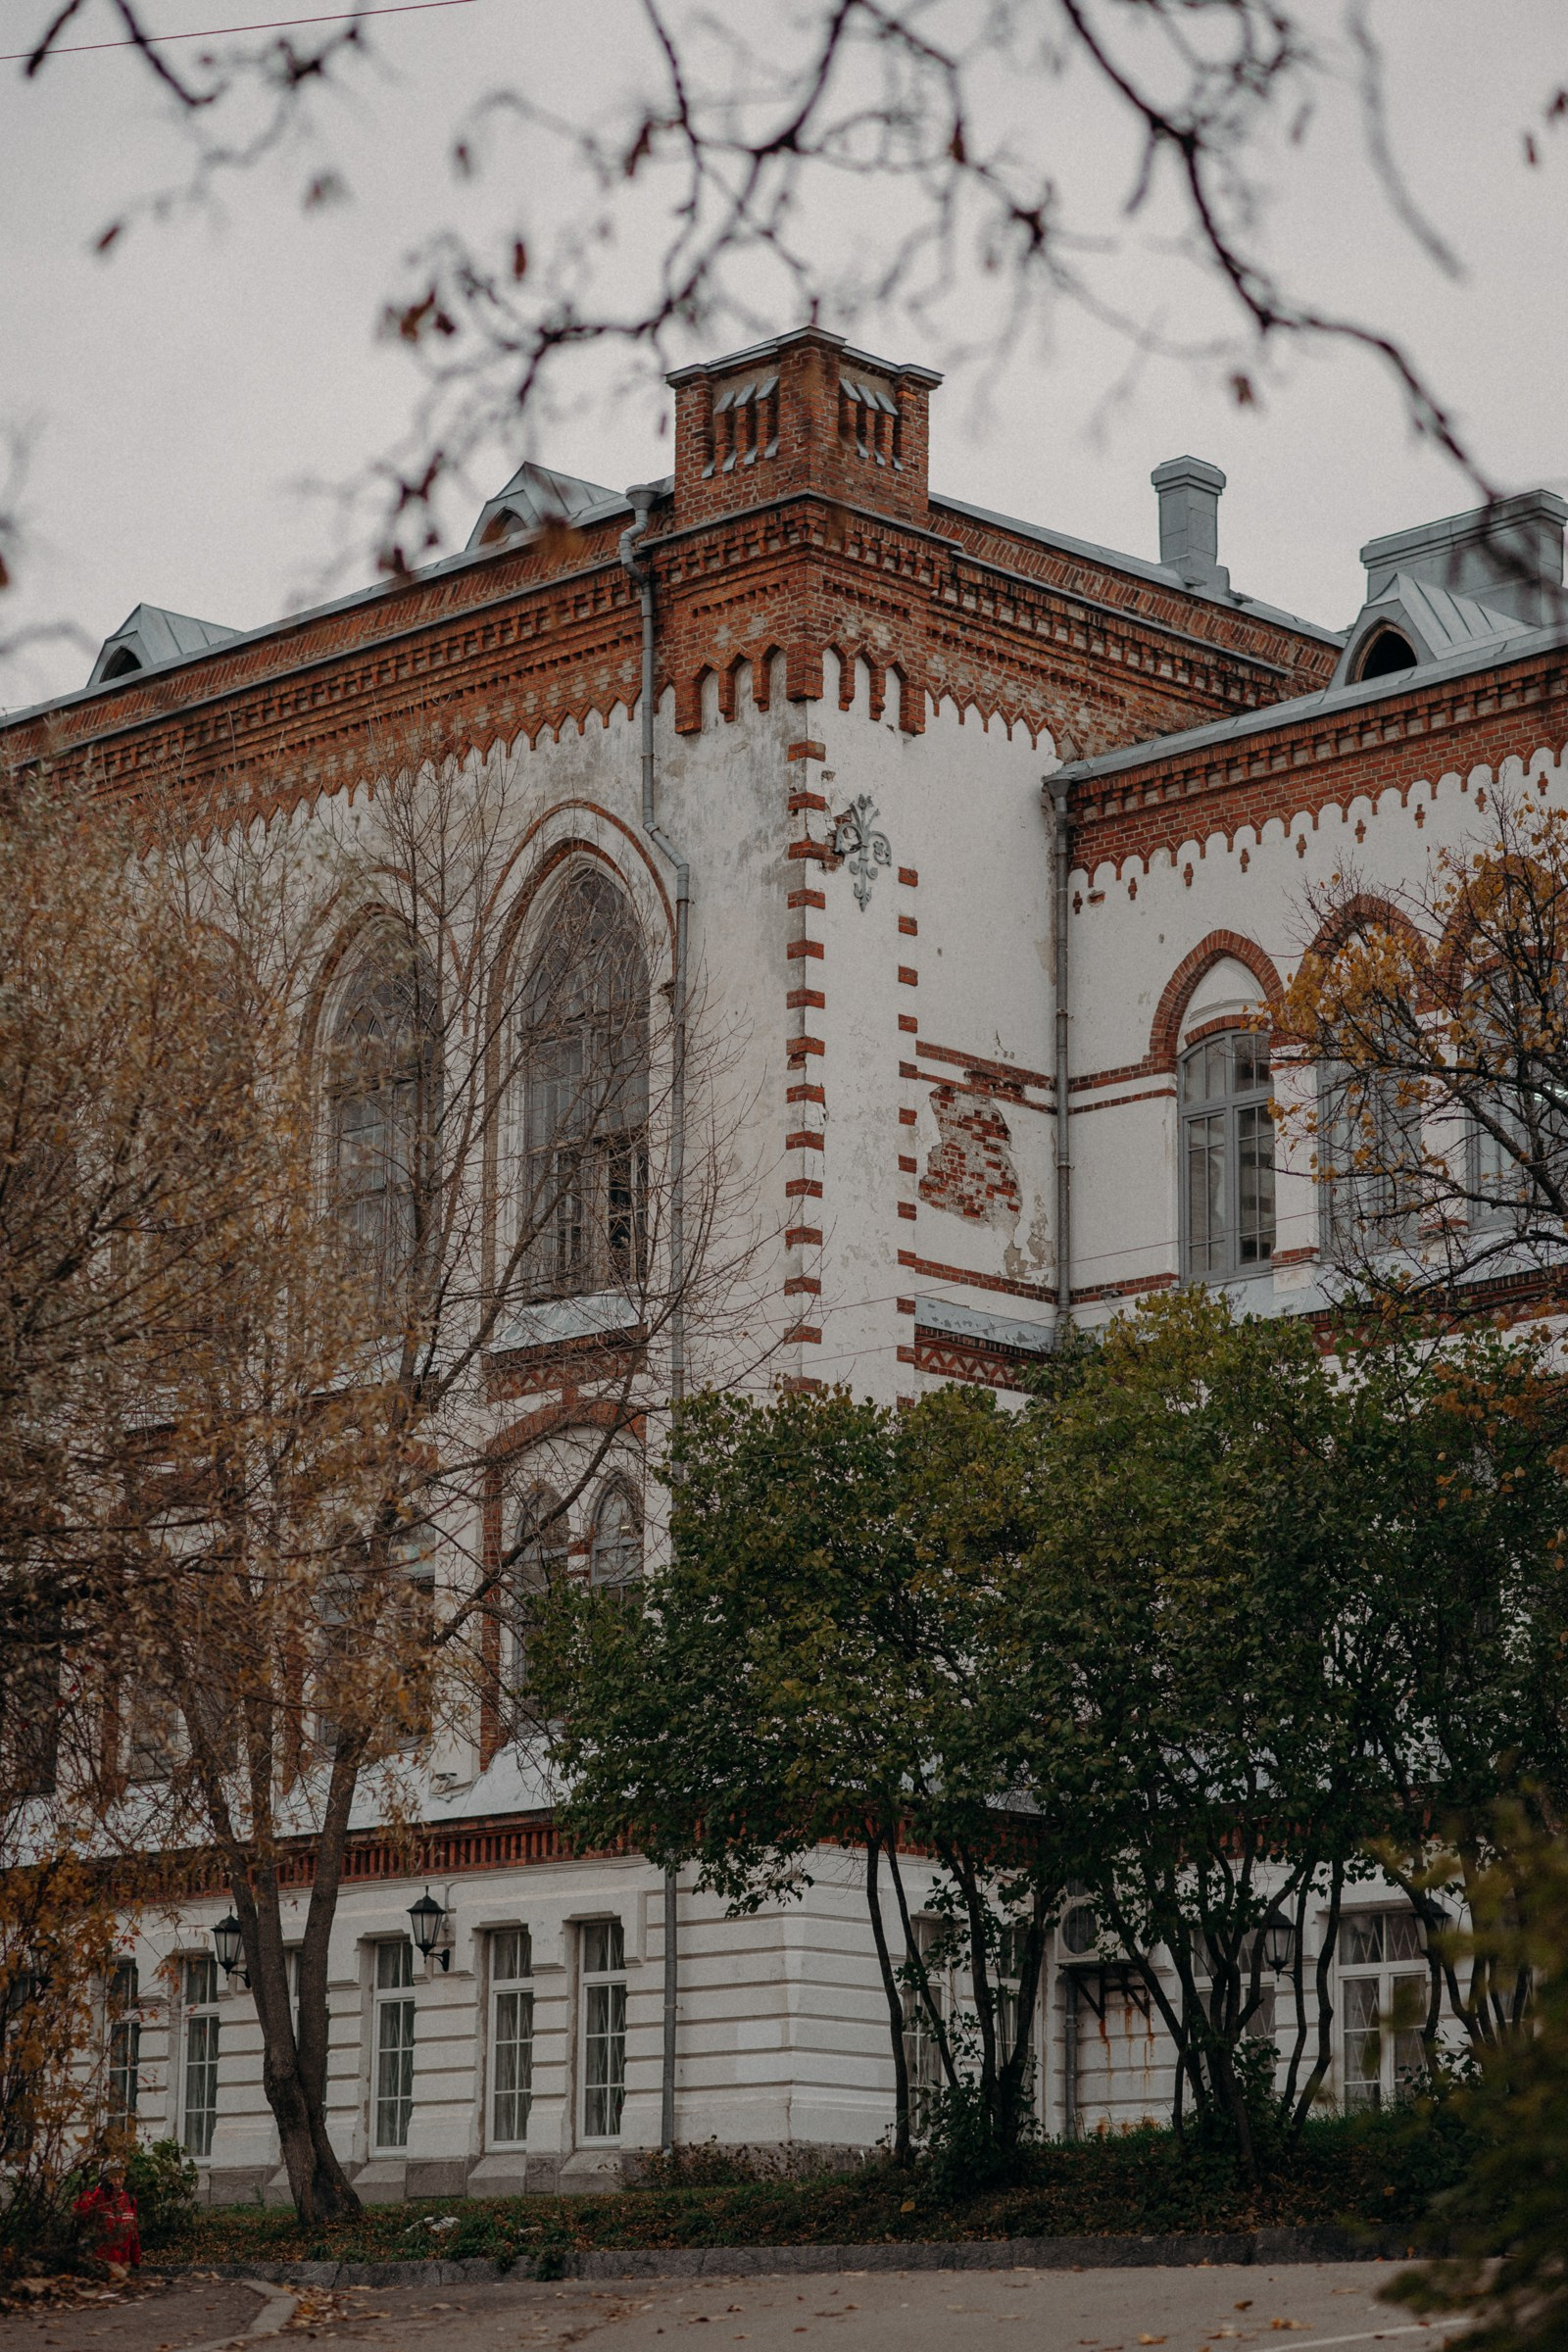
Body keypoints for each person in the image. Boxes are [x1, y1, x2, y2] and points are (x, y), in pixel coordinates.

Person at [73, 2158, 141, 2272]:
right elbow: (80, 2216)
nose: (118, 2182)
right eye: (113, 2177)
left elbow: (134, 2236)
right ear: (104, 2179)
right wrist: (98, 2192)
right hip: (98, 2267)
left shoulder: (129, 2200)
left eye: (120, 2177)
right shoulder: (91, 2197)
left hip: (122, 2269)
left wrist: (135, 2262)